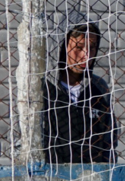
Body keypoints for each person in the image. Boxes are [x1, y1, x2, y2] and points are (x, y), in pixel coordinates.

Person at [42, 22, 118, 164]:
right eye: (79, 47)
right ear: (61, 47)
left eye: (92, 48)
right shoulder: (41, 89)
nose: (86, 56)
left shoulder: (99, 88)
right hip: (49, 177)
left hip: (91, 178)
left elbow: (109, 142)